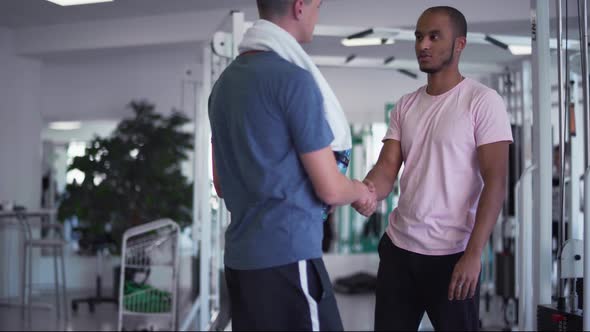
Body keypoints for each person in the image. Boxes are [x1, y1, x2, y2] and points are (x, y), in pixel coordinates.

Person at [208, 0, 375, 330]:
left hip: (241, 263)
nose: (317, 13)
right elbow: (329, 188)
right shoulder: (294, 81)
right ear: (300, 6)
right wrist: (359, 191)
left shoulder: (223, 87)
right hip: (288, 259)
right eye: (317, 5)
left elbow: (221, 185)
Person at [353, 6, 513, 331]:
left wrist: (473, 254)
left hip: (452, 255)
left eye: (434, 36)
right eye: (418, 36)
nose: (422, 45)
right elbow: (386, 170)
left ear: (459, 45)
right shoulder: (406, 104)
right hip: (399, 250)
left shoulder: (482, 101)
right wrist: (364, 192)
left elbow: (496, 182)